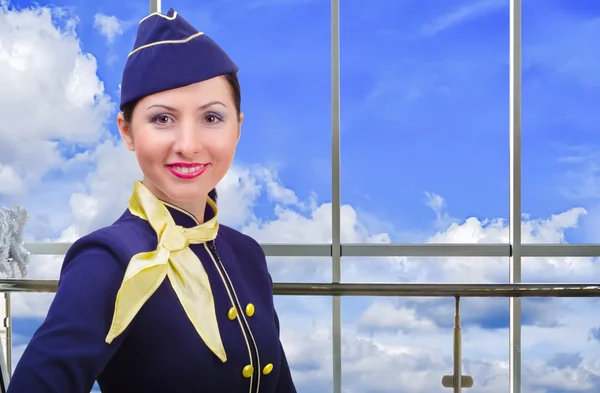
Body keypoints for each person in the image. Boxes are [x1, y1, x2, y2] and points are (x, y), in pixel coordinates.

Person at [7, 8, 297, 393]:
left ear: (238, 127)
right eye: (163, 119)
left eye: (212, 118)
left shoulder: (247, 254)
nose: (189, 145)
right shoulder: (107, 258)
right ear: (127, 132)